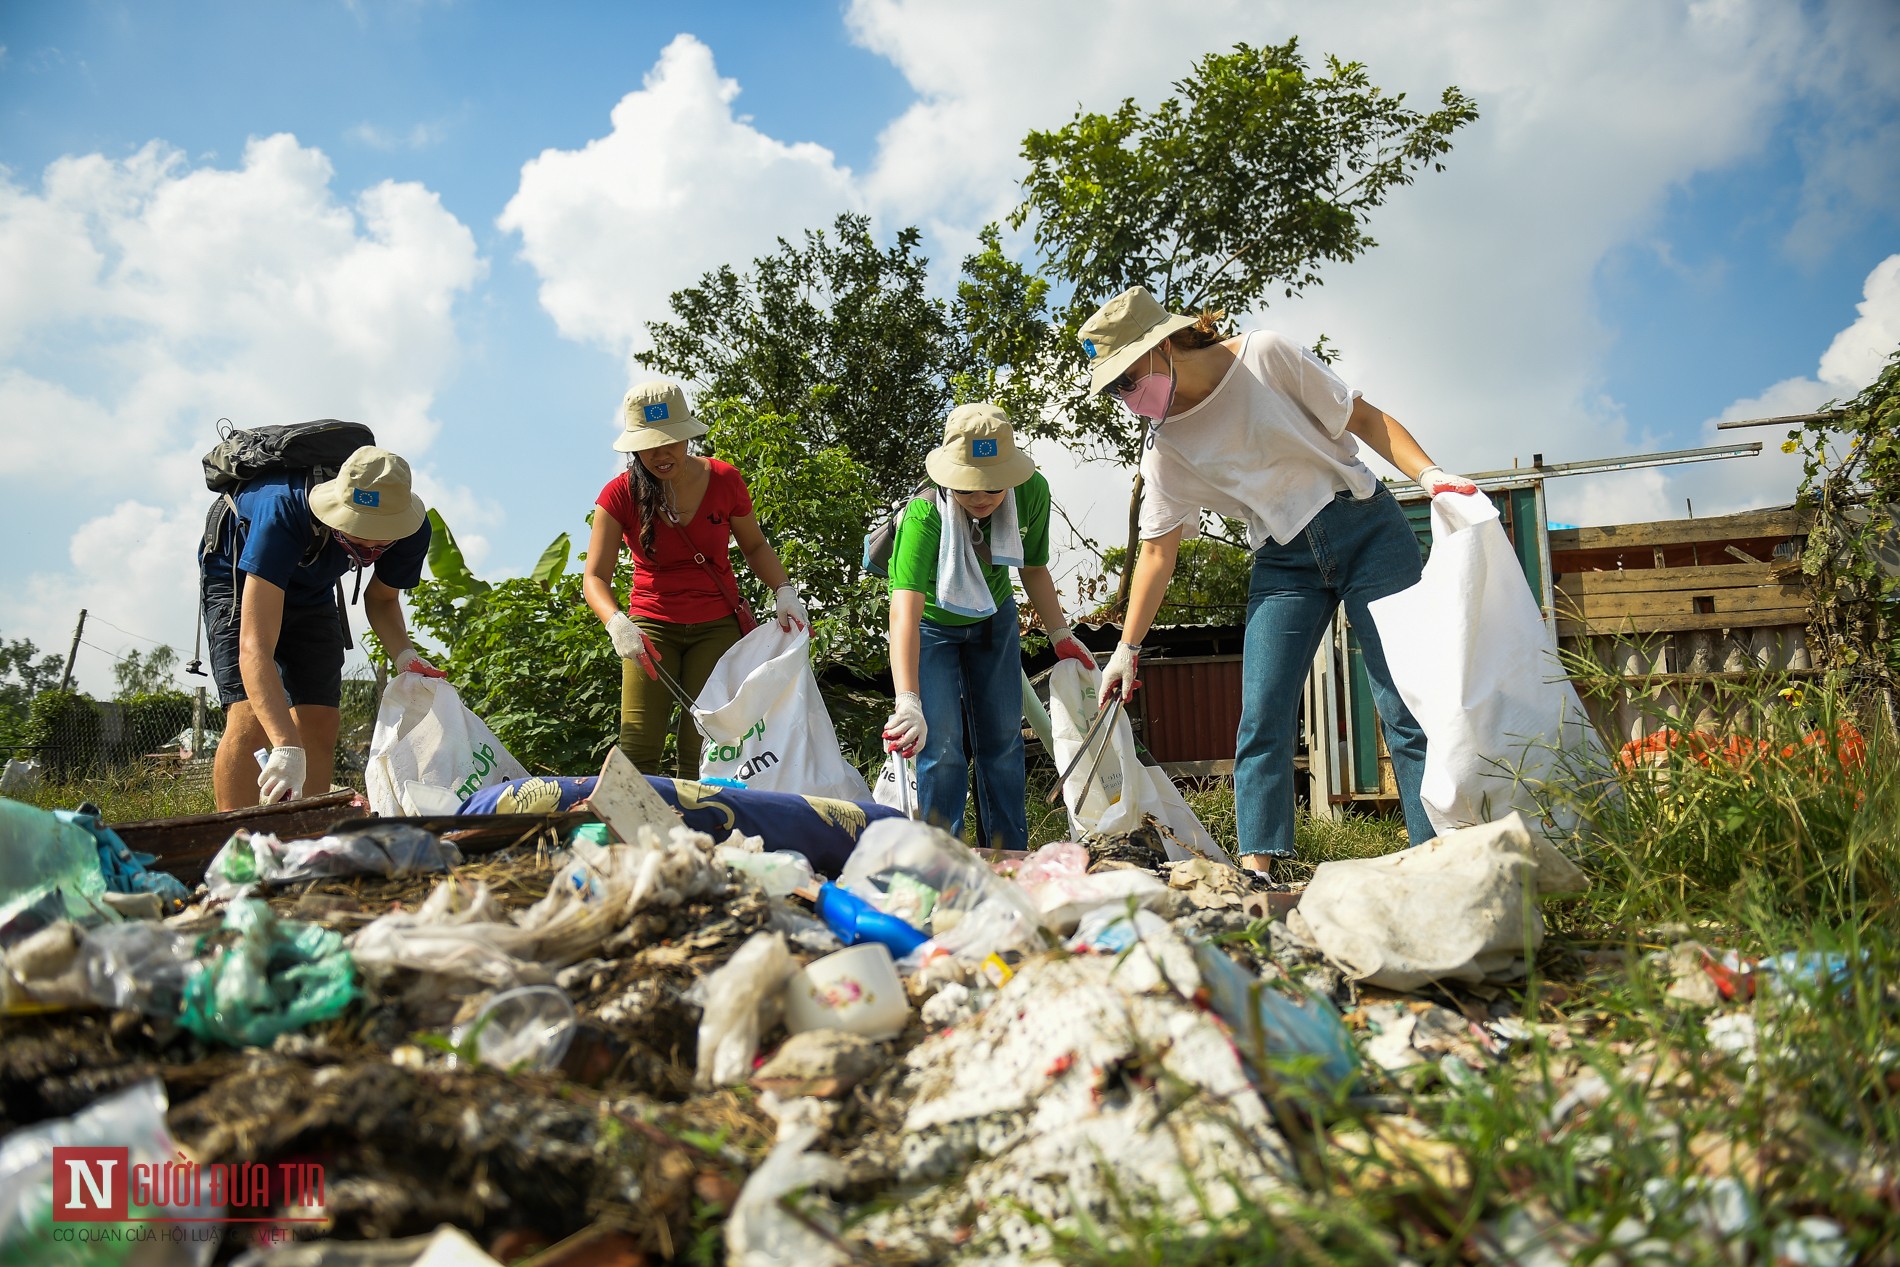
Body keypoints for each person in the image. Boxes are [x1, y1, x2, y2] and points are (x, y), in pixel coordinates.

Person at [1078, 286, 1480, 875]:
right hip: (1283, 564)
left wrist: (1432, 475)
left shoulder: (1266, 356)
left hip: (1367, 529)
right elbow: (1157, 552)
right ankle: (1258, 872)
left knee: (1403, 703)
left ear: (1161, 345)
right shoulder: (1165, 449)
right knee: (1261, 713)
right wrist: (1126, 649)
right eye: (1114, 389)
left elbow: (1362, 418)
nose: (1126, 396)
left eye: (1127, 378)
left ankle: (1439, 856)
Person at [881, 403, 1098, 849]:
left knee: (1002, 742)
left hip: (994, 617)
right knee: (940, 750)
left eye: (994, 487)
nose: (981, 498)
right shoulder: (924, 516)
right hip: (932, 626)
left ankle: (1008, 856)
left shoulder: (1033, 492)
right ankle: (944, 861)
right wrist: (908, 701)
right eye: (967, 488)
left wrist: (1060, 635)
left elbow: (1034, 568)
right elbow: (904, 611)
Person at [582, 380, 807, 777]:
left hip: (716, 625)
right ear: (634, 447)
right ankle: (633, 834)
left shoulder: (724, 480)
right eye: (649, 444)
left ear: (688, 436)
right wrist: (616, 622)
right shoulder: (618, 495)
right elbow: (595, 577)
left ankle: (699, 836)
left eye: (670, 440)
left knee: (702, 745)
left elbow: (754, 546)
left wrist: (784, 591)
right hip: (650, 629)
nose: (661, 453)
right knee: (638, 747)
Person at [199, 446, 441, 810]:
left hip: (313, 585)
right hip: (237, 574)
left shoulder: (413, 528)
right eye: (361, 534)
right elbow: (255, 647)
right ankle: (236, 842)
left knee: (320, 718)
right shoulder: (282, 510)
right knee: (251, 714)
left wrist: (405, 655)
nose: (372, 546)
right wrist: (284, 744)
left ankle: (304, 841)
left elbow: (383, 599)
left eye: (382, 538)